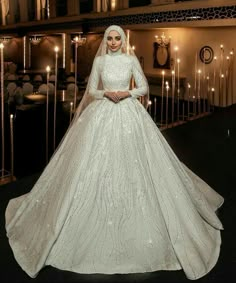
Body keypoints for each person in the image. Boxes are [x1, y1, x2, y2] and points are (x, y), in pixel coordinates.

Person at [5, 25, 223, 280]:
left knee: (142, 165)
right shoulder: (100, 62)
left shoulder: (131, 60)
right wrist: (107, 93)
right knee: (88, 165)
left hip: (129, 112)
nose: (113, 41)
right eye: (110, 37)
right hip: (103, 111)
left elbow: (142, 87)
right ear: (106, 40)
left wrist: (126, 92)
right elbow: (92, 90)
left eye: (117, 37)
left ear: (123, 39)